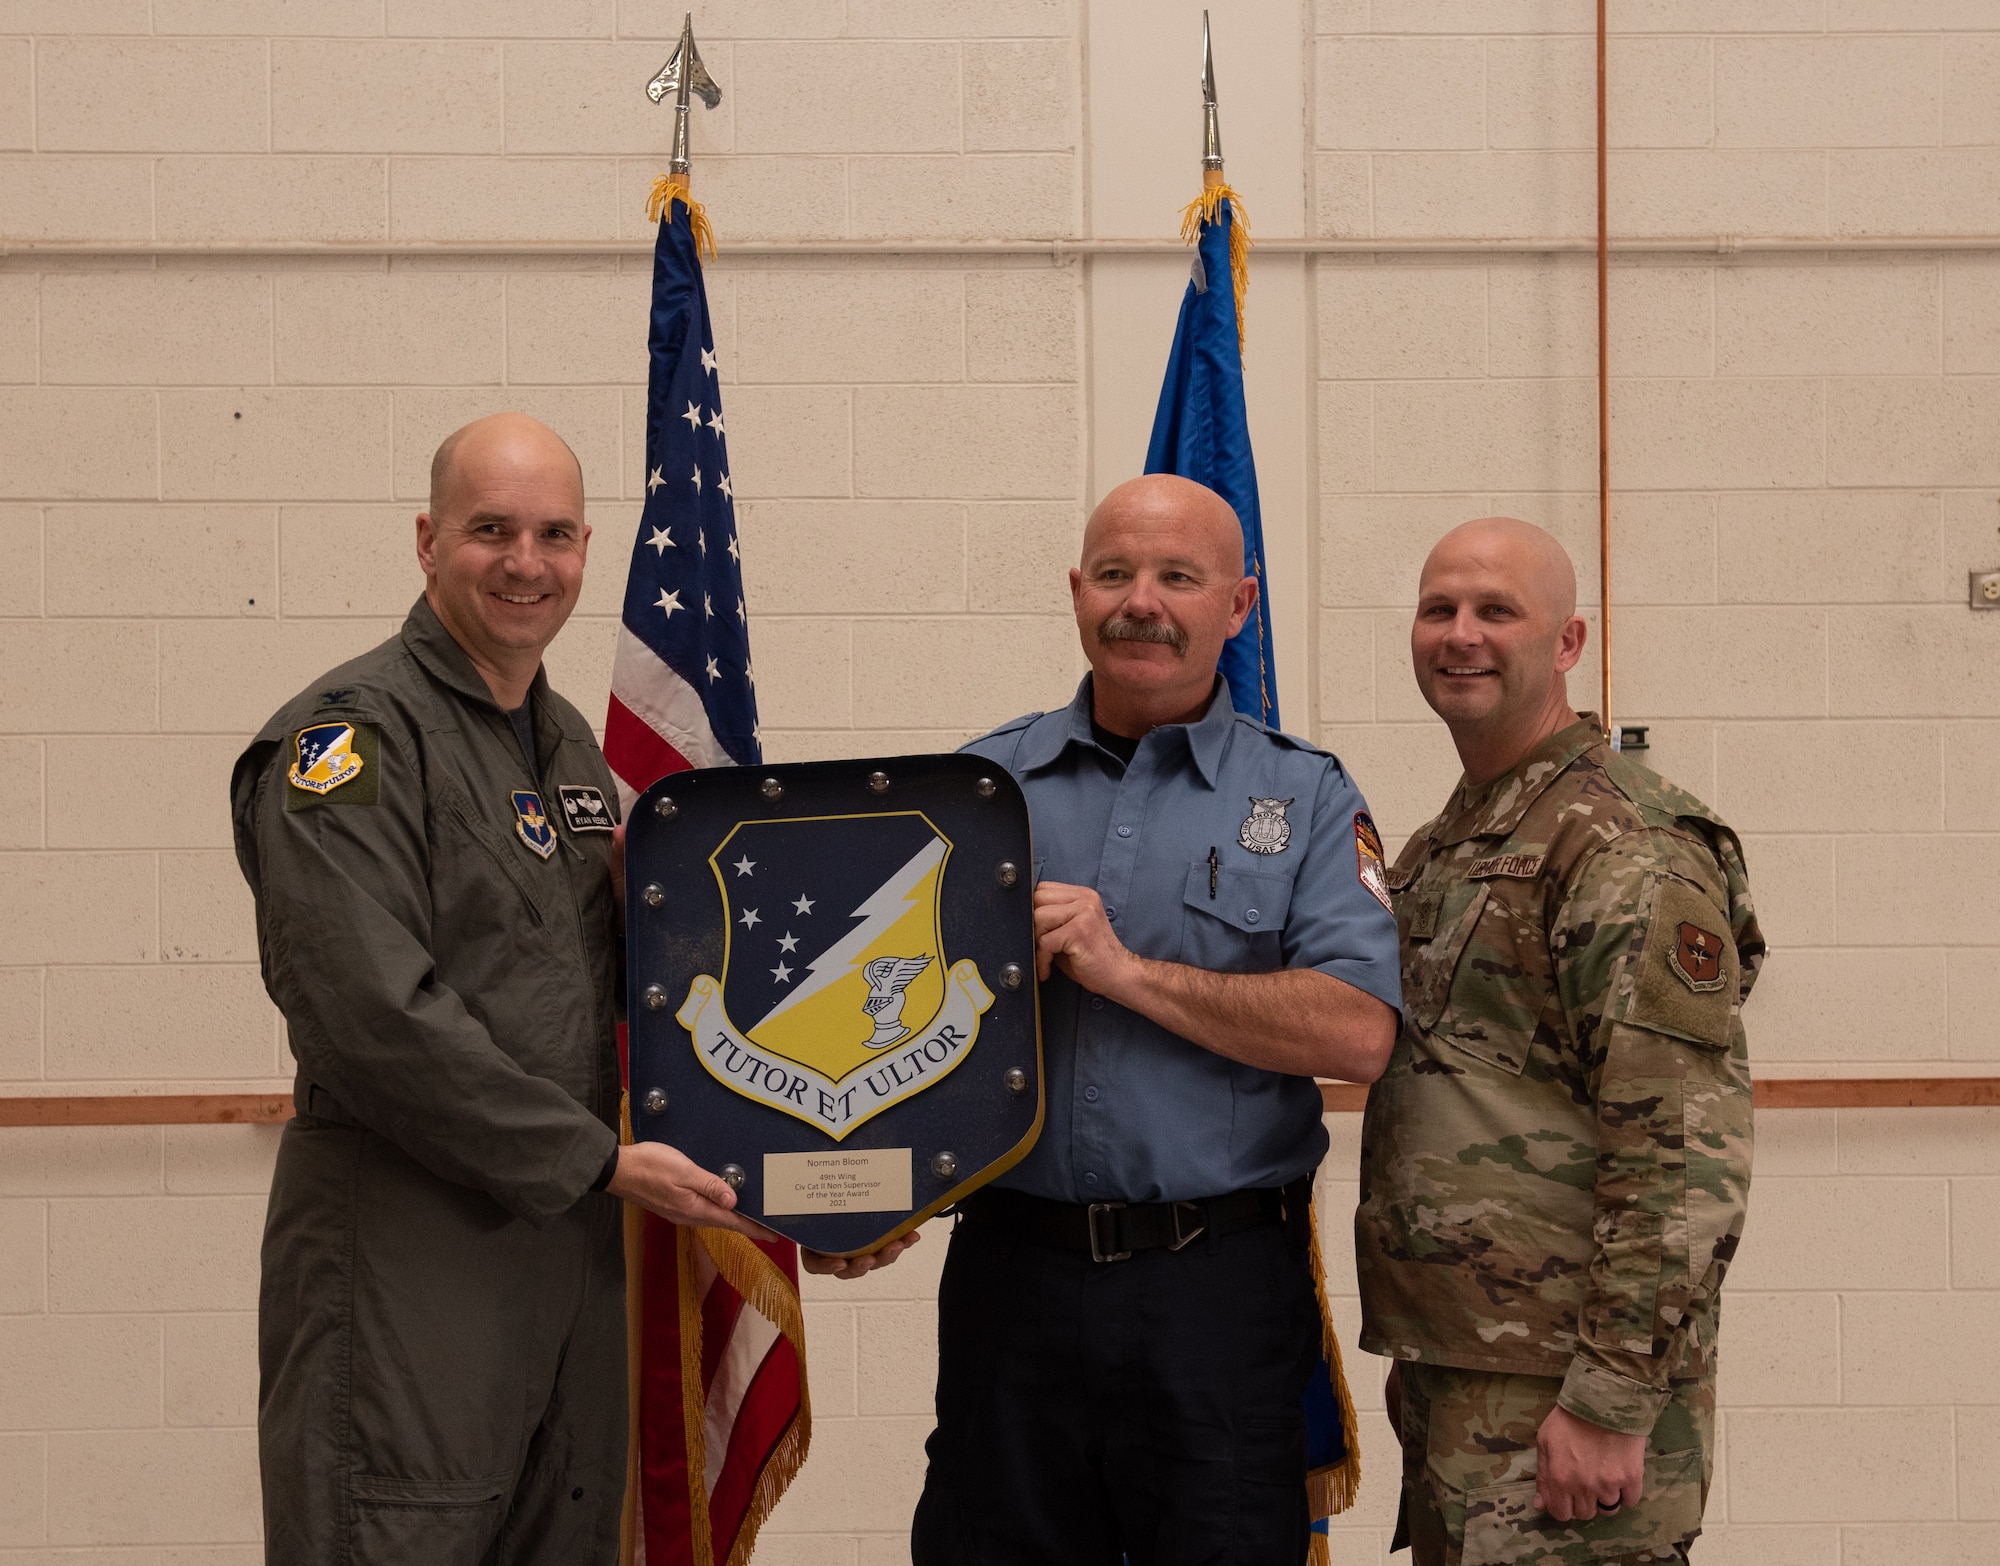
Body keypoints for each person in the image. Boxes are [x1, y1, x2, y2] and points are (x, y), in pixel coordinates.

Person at [231, 412, 759, 1565]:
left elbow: (622, 992)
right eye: (490, 530)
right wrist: (596, 1163)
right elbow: (369, 1013)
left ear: (583, 547)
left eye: (554, 534)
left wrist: (801, 1170)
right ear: (427, 541)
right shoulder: (351, 741)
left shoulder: (564, 745)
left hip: (565, 1259)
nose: (527, 563)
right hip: (410, 1259)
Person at [889, 473, 1402, 1565]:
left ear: (1239, 604)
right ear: (1076, 591)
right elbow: (892, 1027)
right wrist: (867, 1195)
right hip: (1009, 1282)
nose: (1142, 601)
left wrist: (1122, 970)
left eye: (1179, 576)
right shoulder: (978, 788)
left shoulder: (1302, 797)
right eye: (1115, 573)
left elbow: (1357, 1031)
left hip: (1210, 1293)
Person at [1356, 518, 1761, 1566]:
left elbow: (1679, 1152)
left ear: (1567, 641)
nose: (1459, 634)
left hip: (1561, 1405)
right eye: (1437, 608)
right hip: (1469, 1379)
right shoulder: (1456, 838)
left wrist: (1610, 1399)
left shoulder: (1622, 843)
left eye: (1496, 610)